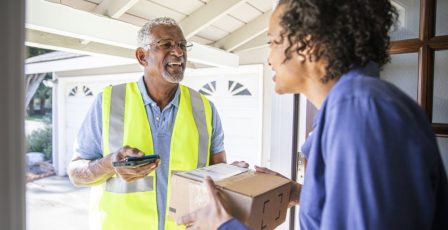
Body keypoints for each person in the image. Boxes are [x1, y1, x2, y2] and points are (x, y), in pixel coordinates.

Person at [176, 0, 448, 229]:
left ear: (306, 45)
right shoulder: (352, 108)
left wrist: (224, 225)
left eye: (272, 42)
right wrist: (302, 194)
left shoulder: (360, 112)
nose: (269, 58)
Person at [67, 17, 237, 230]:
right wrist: (110, 163)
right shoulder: (109, 101)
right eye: (166, 44)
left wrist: (233, 175)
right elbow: (76, 173)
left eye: (182, 45)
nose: (178, 52)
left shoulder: (204, 108)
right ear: (142, 56)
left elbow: (218, 177)